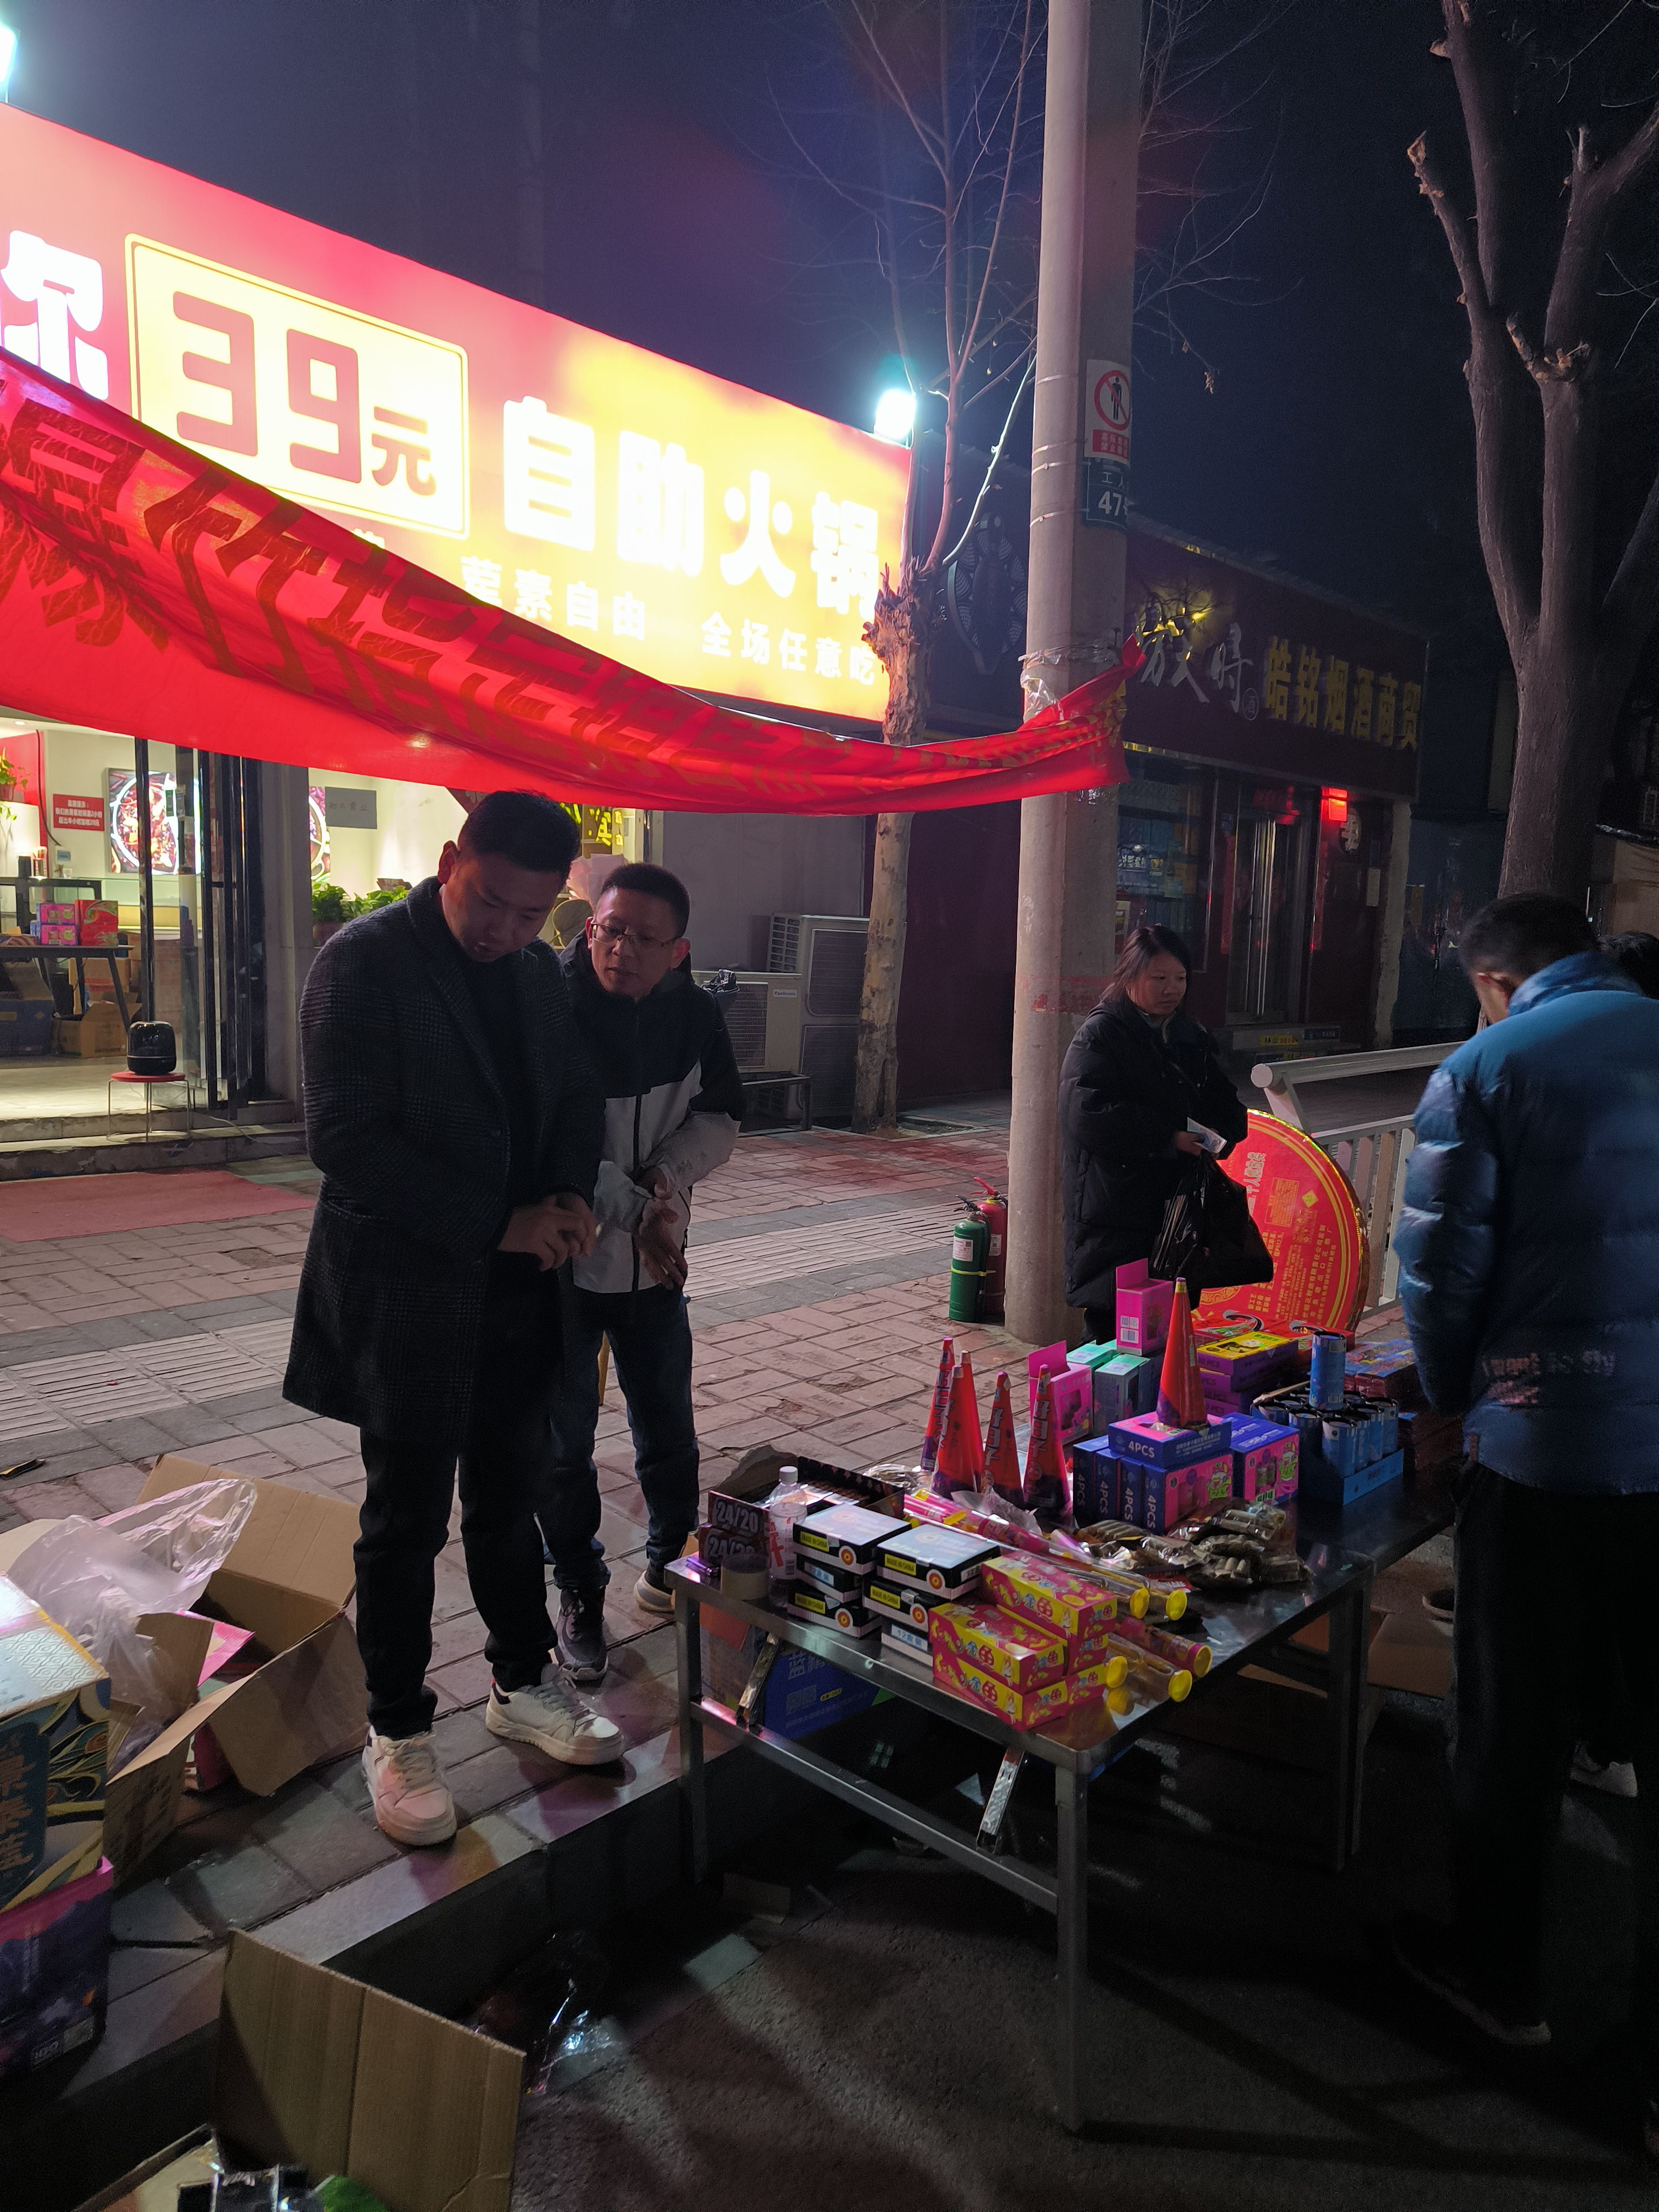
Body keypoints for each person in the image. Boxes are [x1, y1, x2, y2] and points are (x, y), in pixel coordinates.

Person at [285, 790, 622, 1851]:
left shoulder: (533, 973)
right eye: (490, 903)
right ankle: (396, 1727)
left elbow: (572, 1097)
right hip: (411, 1288)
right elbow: (346, 1138)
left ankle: (520, 1681)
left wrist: (566, 1197)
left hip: (521, 1287)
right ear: (449, 861)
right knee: (405, 1519)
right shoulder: (363, 962)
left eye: (532, 914)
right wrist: (497, 1222)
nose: (506, 931)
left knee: (509, 1499)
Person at [1393, 894, 1659, 2151]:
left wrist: (1449, 1405)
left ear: (1494, 981)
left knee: (1508, 1724)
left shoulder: (1488, 1067)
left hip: (1543, 1451)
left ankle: (1497, 1981)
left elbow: (1439, 1277)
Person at [536, 864, 743, 1682]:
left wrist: (663, 1185)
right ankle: (579, 1589)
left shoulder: (695, 1017)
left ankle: (668, 1563)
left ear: (678, 951)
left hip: (657, 1261)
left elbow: (721, 1116)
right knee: (563, 1444)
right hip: (561, 1264)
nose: (619, 949)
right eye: (609, 929)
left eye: (642, 938)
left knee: (668, 1427)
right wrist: (639, 1210)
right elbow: (548, 1141)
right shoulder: (549, 1007)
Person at [1059, 924, 1247, 1339]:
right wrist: (1167, 1139)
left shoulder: (1189, 1035)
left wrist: (1223, 1135)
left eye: (1180, 978)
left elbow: (1224, 1100)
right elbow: (1088, 1113)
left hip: (1177, 1208)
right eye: (1159, 978)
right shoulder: (1100, 1035)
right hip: (1117, 1210)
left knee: (1168, 1324)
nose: (1172, 989)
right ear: (1129, 976)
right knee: (1113, 1330)